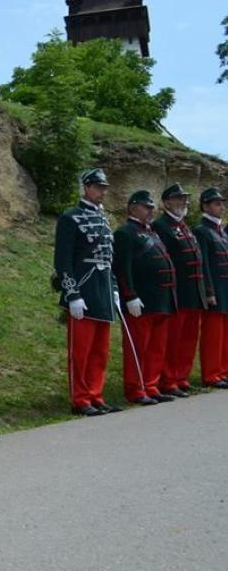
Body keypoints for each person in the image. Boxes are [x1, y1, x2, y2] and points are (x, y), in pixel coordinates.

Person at [54, 168, 119, 416]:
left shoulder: (104, 219)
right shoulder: (70, 218)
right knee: (81, 351)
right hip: (83, 289)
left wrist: (113, 289)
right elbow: (63, 260)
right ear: (85, 188)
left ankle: (95, 394)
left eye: (104, 187)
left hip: (102, 289)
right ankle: (80, 399)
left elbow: (109, 258)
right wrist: (72, 294)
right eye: (98, 186)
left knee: (100, 350)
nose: (102, 191)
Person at [112, 190, 178, 406]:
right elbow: (123, 267)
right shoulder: (125, 233)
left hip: (161, 298)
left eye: (152, 207)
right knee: (138, 348)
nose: (151, 211)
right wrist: (130, 295)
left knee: (156, 348)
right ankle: (135, 388)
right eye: (146, 207)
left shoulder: (152, 233)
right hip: (141, 300)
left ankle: (151, 384)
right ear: (133, 208)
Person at [153, 184, 212, 397]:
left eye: (185, 198)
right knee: (174, 340)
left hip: (194, 292)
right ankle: (168, 380)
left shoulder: (184, 226)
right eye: (178, 198)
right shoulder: (161, 226)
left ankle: (181, 377)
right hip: (178, 292)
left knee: (188, 339)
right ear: (167, 202)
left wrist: (205, 290)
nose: (183, 202)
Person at [192, 187, 228, 388]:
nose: (221, 206)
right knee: (213, 336)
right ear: (205, 206)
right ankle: (212, 374)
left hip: (226, 288)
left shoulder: (220, 231)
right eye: (216, 203)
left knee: (225, 335)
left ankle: (223, 370)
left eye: (222, 202)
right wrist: (209, 292)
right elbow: (203, 264)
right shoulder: (201, 230)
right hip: (215, 289)